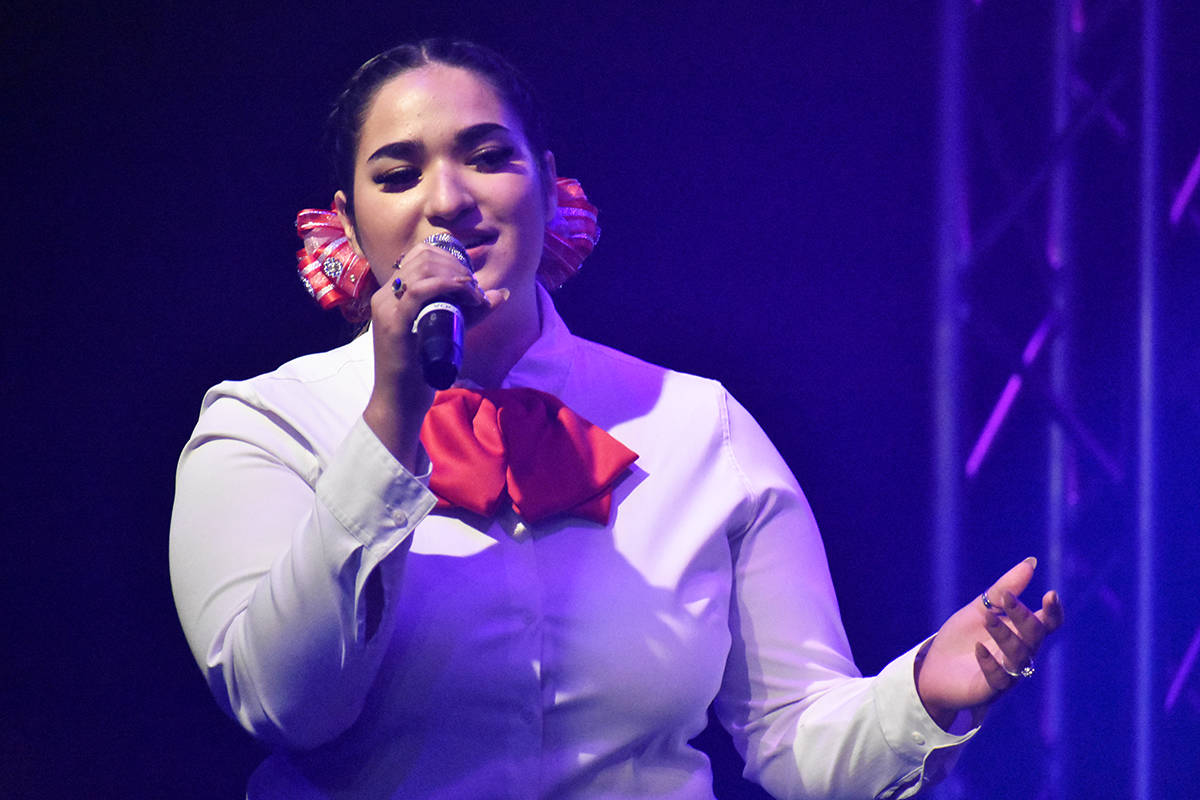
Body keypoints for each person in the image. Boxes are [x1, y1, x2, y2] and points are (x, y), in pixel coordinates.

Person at [169, 39, 1064, 799]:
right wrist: (392, 420)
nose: (447, 200)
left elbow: (796, 736)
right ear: (346, 226)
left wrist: (923, 693)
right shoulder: (268, 427)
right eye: (399, 173)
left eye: (488, 156)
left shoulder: (693, 424)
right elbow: (288, 704)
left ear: (551, 188)